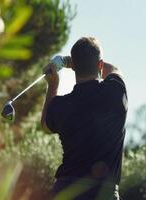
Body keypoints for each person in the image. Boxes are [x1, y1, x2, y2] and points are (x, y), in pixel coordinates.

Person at [41, 37, 127, 200]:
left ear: (75, 68)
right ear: (99, 65)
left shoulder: (62, 104)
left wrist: (53, 85)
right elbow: (114, 69)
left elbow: (45, 125)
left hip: (66, 191)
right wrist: (69, 62)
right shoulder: (115, 92)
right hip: (103, 193)